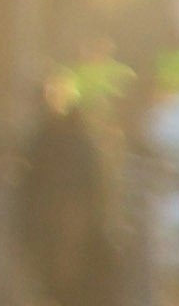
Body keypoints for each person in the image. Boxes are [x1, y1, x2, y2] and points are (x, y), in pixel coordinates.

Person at [13, 76, 121, 306]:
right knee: (59, 262)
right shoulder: (56, 137)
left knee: (63, 261)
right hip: (59, 211)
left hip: (64, 210)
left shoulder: (57, 137)